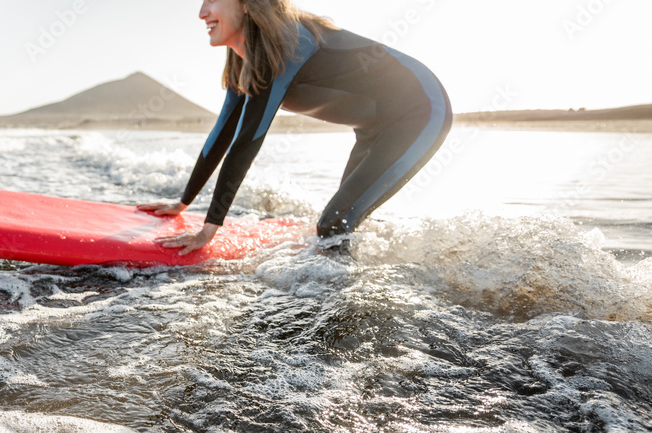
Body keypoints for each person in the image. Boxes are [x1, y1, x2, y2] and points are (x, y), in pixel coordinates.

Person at [138, 0, 452, 255]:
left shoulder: (287, 41)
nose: (201, 12)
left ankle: (339, 314)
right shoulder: (243, 63)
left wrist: (209, 229)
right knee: (341, 222)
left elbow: (247, 140)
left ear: (246, 4)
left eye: (212, 0)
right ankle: (361, 284)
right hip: (372, 129)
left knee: (333, 227)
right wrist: (183, 202)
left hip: (421, 111)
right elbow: (223, 134)